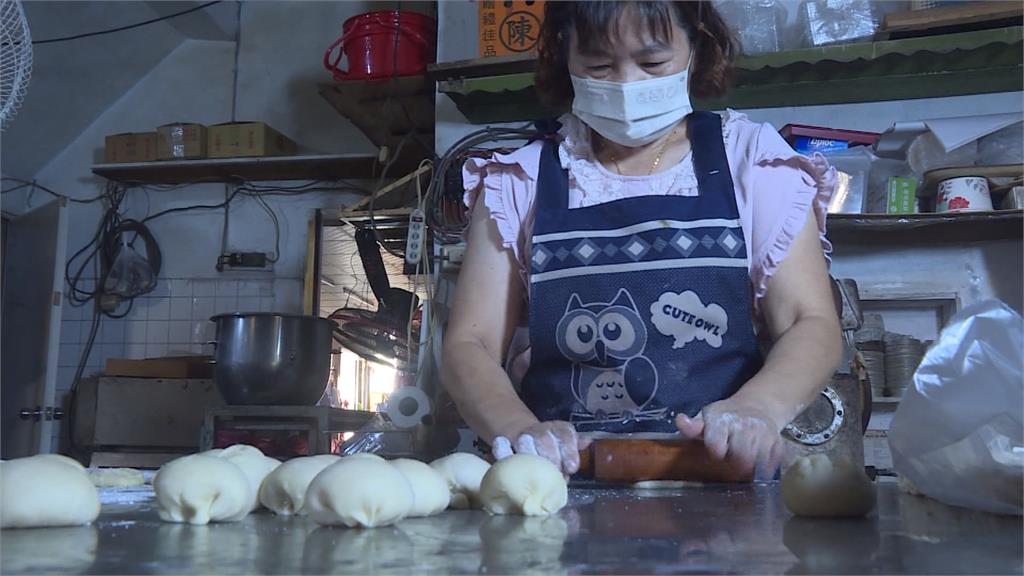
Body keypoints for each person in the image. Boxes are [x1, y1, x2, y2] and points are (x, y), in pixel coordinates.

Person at [442, 1, 842, 480]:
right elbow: (471, 341)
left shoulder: (751, 161)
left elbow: (809, 320)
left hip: (723, 483)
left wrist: (758, 408)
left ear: (696, 46)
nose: (627, 83)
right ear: (564, 56)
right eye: (598, 65)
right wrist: (521, 429)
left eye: (653, 63)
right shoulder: (519, 180)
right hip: (561, 483)